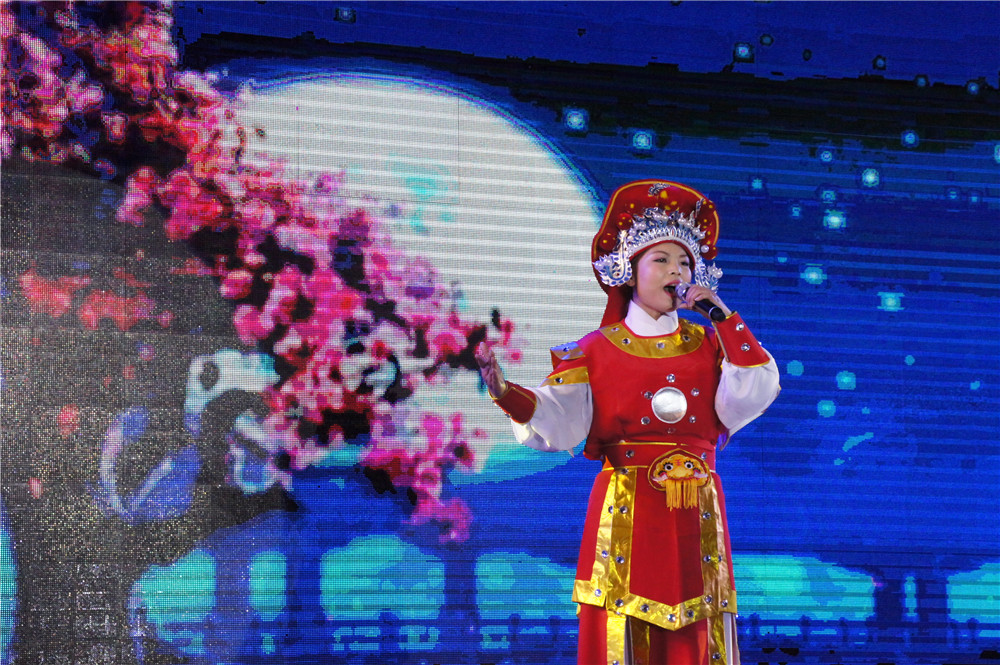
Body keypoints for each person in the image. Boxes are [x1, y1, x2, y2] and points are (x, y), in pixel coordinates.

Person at [476, 180, 780, 665]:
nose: (677, 272)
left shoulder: (712, 345)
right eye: (661, 260)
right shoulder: (594, 350)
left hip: (696, 511)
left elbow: (755, 389)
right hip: (627, 510)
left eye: (685, 263)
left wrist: (724, 318)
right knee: (622, 624)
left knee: (700, 624)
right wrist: (503, 392)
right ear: (629, 271)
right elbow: (557, 417)